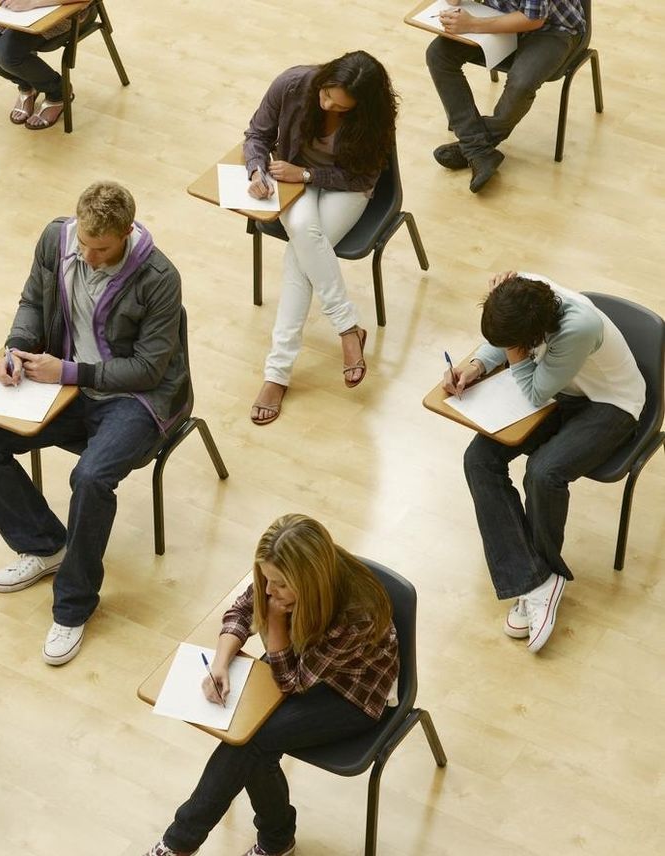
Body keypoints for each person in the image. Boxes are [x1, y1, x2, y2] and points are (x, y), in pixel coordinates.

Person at [0, 180, 186, 666]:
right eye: (83, 243)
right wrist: (15, 347)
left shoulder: (160, 277)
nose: (89, 255)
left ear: (127, 233)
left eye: (101, 249)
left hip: (136, 398)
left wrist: (70, 372)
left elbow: (149, 368)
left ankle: (73, 605)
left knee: (90, 477)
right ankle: (45, 545)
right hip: (68, 386)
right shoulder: (56, 239)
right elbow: (32, 303)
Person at [144, 514, 398, 856]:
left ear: (309, 580)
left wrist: (276, 621)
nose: (267, 590)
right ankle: (269, 842)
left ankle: (181, 844)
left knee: (252, 743)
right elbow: (241, 612)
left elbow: (293, 682)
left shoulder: (357, 613)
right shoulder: (281, 577)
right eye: (265, 579)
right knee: (250, 745)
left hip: (353, 693)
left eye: (278, 583)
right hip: (296, 662)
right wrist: (220, 663)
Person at [444, 272, 644, 652]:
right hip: (565, 391)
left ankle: (542, 576)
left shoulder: (578, 327)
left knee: (544, 472)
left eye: (515, 345)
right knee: (479, 458)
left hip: (611, 404)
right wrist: (477, 367)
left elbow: (535, 392)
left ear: (531, 337)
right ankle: (537, 581)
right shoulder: (521, 291)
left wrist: (515, 357)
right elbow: (501, 345)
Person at [242, 51, 398, 426]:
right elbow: (256, 135)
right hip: (292, 177)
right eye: (327, 95)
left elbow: (363, 179)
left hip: (345, 186)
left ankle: (276, 374)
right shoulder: (293, 84)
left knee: (300, 254)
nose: (327, 104)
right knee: (305, 239)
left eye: (340, 106)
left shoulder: (376, 119)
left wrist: (309, 176)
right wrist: (256, 171)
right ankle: (347, 327)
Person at [426, 0, 585, 193]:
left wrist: (472, 24)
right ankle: (478, 149)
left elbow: (533, 19)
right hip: (497, 14)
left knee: (521, 83)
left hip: (553, 29)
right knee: (438, 55)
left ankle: (473, 146)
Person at [0, 0, 92, 130]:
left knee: (7, 54)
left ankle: (58, 92)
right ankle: (28, 84)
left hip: (60, 8)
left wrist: (34, 2)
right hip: (6, 6)